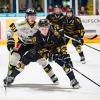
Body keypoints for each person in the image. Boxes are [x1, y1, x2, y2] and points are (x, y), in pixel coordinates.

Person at [7, 19, 80, 88]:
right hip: (38, 51)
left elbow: (62, 45)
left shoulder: (55, 34)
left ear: (48, 27)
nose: (44, 30)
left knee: (66, 63)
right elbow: (38, 50)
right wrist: (48, 55)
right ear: (39, 28)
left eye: (46, 27)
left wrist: (64, 55)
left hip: (53, 50)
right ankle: (11, 76)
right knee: (22, 62)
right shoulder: (35, 37)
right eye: (42, 28)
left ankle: (73, 80)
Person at [4, 9, 58, 86]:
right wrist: (10, 39)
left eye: (34, 15)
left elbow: (49, 30)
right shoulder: (18, 23)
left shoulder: (39, 24)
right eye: (30, 15)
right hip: (22, 44)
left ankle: (52, 76)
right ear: (26, 16)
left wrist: (56, 33)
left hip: (34, 45)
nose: (32, 17)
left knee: (42, 60)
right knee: (14, 57)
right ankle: (9, 77)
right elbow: (9, 31)